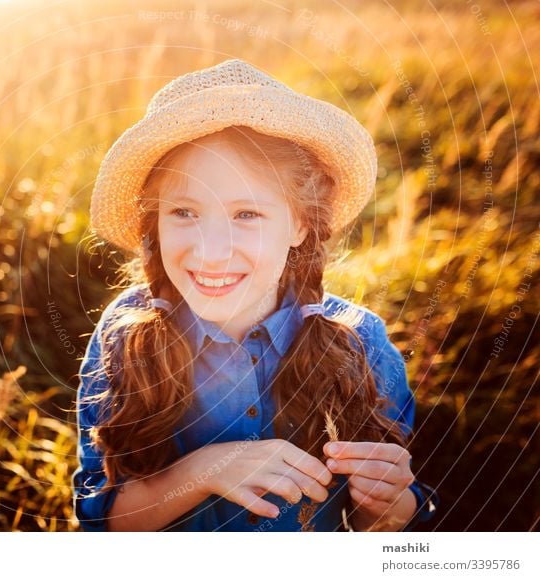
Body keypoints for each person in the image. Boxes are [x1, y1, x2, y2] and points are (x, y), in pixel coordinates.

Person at [73, 58, 439, 532]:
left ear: (301, 223)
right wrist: (204, 471)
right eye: (184, 211)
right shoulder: (125, 335)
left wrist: (387, 506)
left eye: (247, 214)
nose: (212, 250)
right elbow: (104, 524)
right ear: (155, 222)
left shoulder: (361, 343)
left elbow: (386, 526)